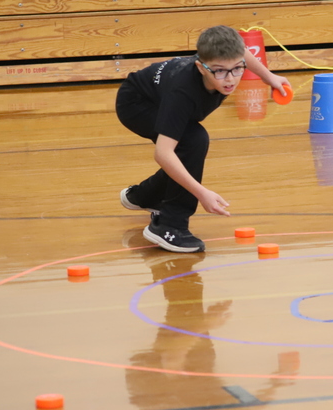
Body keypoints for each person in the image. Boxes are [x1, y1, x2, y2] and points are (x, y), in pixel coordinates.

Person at [116, 25, 289, 253]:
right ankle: (170, 225)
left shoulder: (225, 62)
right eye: (220, 71)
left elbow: (242, 52)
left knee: (191, 142)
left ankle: (144, 196)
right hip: (137, 104)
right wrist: (201, 193)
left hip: (161, 95)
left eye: (237, 69)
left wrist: (269, 77)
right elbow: (163, 153)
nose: (230, 79)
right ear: (201, 67)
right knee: (193, 141)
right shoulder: (183, 93)